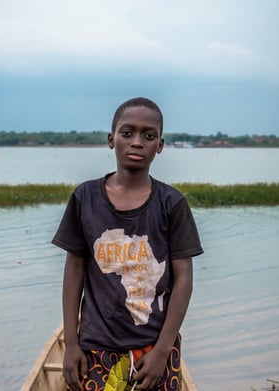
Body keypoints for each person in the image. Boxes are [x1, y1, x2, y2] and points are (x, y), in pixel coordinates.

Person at [52, 97, 203, 391]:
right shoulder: (85, 198)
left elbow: (184, 278)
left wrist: (162, 351)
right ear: (112, 140)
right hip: (95, 347)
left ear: (160, 145)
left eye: (148, 136)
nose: (137, 142)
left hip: (155, 347)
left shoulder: (171, 204)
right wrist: (71, 342)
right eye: (127, 132)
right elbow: (74, 269)